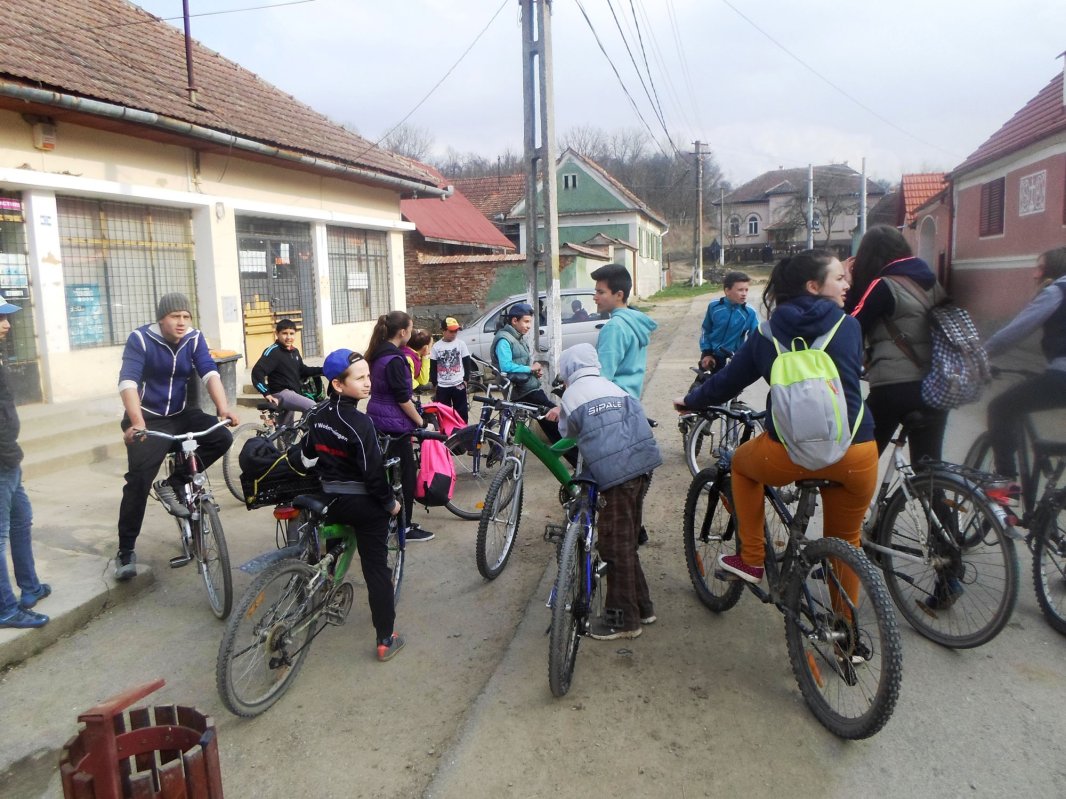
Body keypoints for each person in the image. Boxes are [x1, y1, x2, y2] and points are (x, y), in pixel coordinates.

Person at [674, 250, 877, 589]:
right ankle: (846, 636)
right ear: (813, 286)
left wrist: (691, 401)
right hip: (855, 450)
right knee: (846, 546)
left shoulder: (767, 334)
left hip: (789, 452)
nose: (848, 284)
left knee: (739, 465)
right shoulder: (850, 326)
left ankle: (751, 559)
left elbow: (729, 381)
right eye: (839, 278)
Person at [115, 293, 239, 580]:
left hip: (182, 414)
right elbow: (128, 381)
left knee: (221, 437)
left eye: (186, 316)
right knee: (137, 483)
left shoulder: (194, 338)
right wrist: (137, 422)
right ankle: (125, 551)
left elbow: (209, 372)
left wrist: (224, 409)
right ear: (162, 318)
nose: (182, 322)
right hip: (148, 418)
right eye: (175, 317)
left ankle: (173, 482)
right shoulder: (141, 339)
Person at [298, 348, 406, 661]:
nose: (368, 383)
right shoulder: (361, 423)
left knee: (333, 552)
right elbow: (374, 477)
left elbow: (308, 453)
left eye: (368, 376)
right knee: (376, 570)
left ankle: (328, 591)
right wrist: (390, 505)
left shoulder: (317, 414)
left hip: (328, 499)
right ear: (338, 385)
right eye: (359, 378)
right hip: (361, 505)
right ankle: (386, 638)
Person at [556, 343, 662, 639]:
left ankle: (623, 621)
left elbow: (567, 434)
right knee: (626, 537)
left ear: (568, 371)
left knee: (613, 545)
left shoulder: (571, 395)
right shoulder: (612, 386)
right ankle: (643, 607)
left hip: (616, 474)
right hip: (643, 466)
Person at [845, 225, 947, 463]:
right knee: (929, 470)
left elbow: (850, 326)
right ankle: (935, 497)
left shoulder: (883, 285)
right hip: (937, 387)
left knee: (857, 463)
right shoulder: (933, 284)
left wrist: (848, 285)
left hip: (895, 387)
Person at [983, 246, 1066, 487]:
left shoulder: (1056, 291)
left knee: (1000, 408)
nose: (1034, 274)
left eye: (1039, 268)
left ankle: (1005, 480)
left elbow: (1013, 333)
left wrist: (979, 355)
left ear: (1053, 270)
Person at [0, 294, 50, 629]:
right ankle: (6, 609)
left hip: (9, 458)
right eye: (0, 318)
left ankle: (30, 588)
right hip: (2, 460)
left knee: (21, 521)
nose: (6, 325)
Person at [365, 311, 434, 543]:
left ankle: (389, 520)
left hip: (377, 418)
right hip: (394, 425)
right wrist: (421, 421)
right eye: (411, 329)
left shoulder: (377, 353)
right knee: (405, 478)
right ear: (402, 332)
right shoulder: (395, 359)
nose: (412, 333)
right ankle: (403, 527)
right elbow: (403, 399)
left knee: (387, 474)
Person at [491, 301, 565, 447]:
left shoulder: (518, 337)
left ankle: (573, 456)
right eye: (526, 321)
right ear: (514, 320)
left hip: (528, 387)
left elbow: (521, 364)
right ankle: (575, 457)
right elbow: (506, 366)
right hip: (521, 391)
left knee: (552, 422)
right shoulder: (504, 340)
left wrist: (533, 373)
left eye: (530, 322)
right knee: (553, 419)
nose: (529, 326)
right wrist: (530, 369)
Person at [590, 263, 657, 399]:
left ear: (619, 295)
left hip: (613, 402)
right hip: (631, 400)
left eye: (601, 292)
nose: (595, 297)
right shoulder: (634, 322)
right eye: (596, 291)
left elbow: (604, 375)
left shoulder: (614, 327)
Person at [250, 318, 322, 427]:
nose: (288, 337)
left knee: (286, 432)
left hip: (292, 393)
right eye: (284, 333)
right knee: (312, 406)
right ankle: (304, 433)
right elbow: (257, 372)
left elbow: (302, 370)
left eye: (292, 334)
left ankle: (289, 439)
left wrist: (324, 370)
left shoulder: (294, 351)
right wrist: (266, 393)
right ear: (277, 334)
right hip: (281, 393)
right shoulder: (273, 351)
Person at [698, 271, 759, 373]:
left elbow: (756, 338)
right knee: (702, 386)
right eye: (740, 290)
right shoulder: (714, 307)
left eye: (746, 290)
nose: (744, 294)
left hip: (734, 359)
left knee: (731, 388)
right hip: (711, 355)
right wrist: (707, 352)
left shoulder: (750, 312)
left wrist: (747, 356)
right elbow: (706, 329)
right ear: (727, 291)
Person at [430, 317, 475, 422]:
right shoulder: (436, 347)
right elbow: (433, 366)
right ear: (443, 331)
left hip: (458, 384)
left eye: (456, 331)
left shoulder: (460, 344)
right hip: (442, 386)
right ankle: (447, 435)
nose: (454, 334)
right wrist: (435, 383)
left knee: (461, 412)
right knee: (444, 413)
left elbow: (466, 361)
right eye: (451, 331)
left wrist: (466, 379)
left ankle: (463, 433)